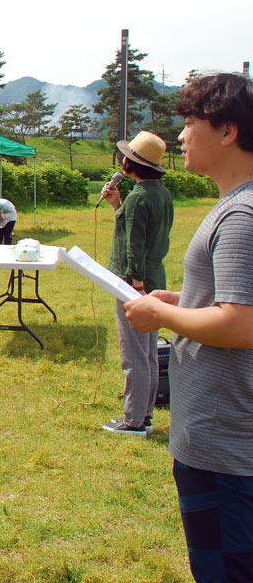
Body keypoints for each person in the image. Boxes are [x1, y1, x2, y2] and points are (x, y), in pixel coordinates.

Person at [122, 73, 253, 582]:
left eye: (190, 122)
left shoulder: (240, 215)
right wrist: (185, 301)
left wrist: (162, 316)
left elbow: (242, 322)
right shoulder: (234, 206)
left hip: (224, 444)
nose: (180, 136)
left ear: (227, 131)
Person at [97, 131, 174, 438]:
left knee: (134, 355)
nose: (122, 159)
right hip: (155, 278)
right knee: (149, 351)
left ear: (132, 164)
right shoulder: (159, 194)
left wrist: (136, 284)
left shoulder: (139, 197)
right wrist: (118, 206)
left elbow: (134, 247)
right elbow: (138, 232)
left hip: (135, 284)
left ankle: (133, 421)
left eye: (126, 155)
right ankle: (145, 414)